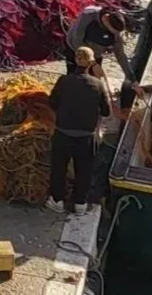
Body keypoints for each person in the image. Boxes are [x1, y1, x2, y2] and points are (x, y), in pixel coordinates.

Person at [47, 46, 113, 215]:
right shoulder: (97, 84)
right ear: (91, 62)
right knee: (84, 170)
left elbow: (52, 103)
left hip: (63, 133)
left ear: (75, 60)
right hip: (86, 137)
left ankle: (57, 201)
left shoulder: (63, 81)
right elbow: (106, 111)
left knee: (58, 169)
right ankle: (80, 204)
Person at [66, 5, 130, 77]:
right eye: (113, 31)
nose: (115, 34)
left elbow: (120, 54)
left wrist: (132, 78)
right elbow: (77, 41)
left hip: (96, 54)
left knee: (95, 79)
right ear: (107, 18)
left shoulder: (116, 30)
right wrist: (93, 63)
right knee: (74, 77)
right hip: (76, 49)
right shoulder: (88, 16)